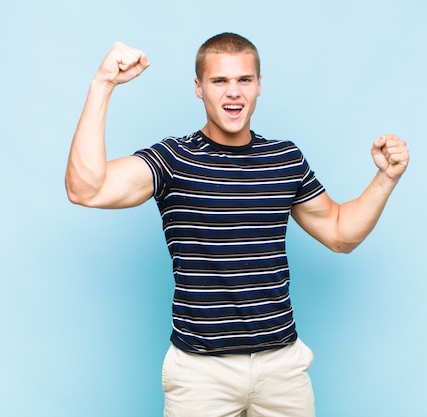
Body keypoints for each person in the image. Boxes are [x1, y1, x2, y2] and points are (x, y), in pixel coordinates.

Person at [65, 32, 409, 417]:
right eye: (219, 81)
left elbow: (341, 234)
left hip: (282, 369)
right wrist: (103, 84)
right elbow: (86, 189)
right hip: (201, 375)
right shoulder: (173, 159)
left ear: (259, 85)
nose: (233, 92)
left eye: (244, 80)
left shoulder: (285, 158)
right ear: (199, 88)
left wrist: (386, 178)